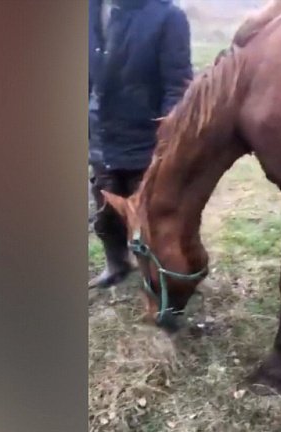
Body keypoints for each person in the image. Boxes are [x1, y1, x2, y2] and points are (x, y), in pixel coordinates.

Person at [88, 0, 192, 288]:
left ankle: (163, 276)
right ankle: (117, 265)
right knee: (106, 212)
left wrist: (167, 139)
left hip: (145, 140)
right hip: (101, 135)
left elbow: (177, 85)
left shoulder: (168, 17)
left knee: (153, 219)